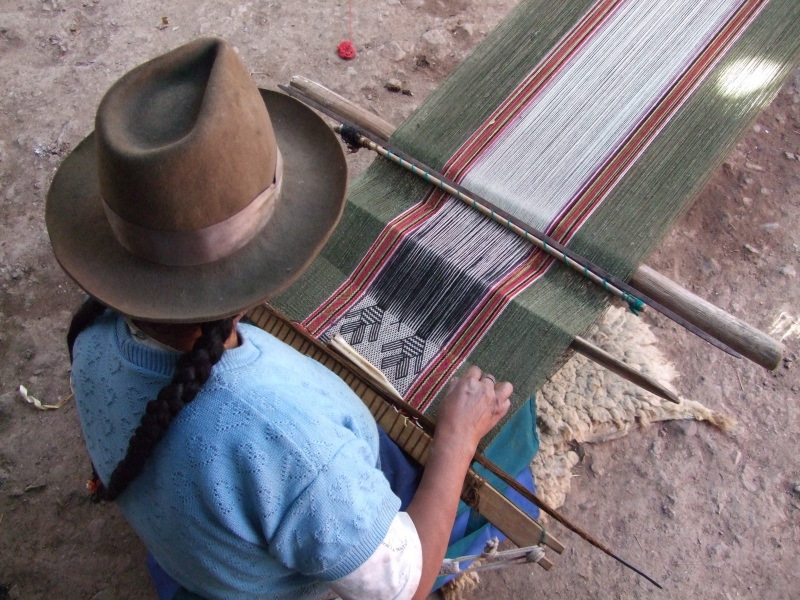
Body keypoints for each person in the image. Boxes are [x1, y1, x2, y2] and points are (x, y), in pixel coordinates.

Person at [46, 37, 513, 600]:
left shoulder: (91, 337)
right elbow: (402, 586)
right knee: (508, 434)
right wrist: (457, 441)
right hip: (265, 580)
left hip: (197, 565)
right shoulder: (282, 435)